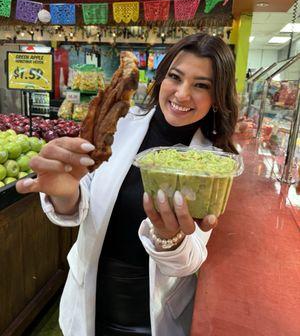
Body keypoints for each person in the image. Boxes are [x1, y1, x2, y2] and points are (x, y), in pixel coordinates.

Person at [16, 33, 238, 336]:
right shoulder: (119, 125)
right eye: (175, 77)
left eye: (202, 85)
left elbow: (190, 260)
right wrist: (65, 194)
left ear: (218, 97)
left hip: (155, 312)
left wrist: (168, 238)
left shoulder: (213, 163)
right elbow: (81, 203)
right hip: (91, 297)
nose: (182, 94)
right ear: (161, 78)